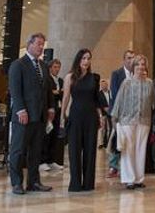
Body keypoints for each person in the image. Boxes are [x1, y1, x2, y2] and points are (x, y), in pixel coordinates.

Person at [7, 33, 55, 195]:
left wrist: (51, 108)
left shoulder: (43, 66)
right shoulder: (18, 64)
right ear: (29, 44)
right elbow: (15, 90)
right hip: (23, 116)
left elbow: (48, 90)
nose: (41, 47)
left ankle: (34, 182)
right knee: (18, 150)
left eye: (43, 44)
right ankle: (16, 183)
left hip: (40, 116)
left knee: (36, 151)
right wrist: (20, 109)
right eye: (38, 44)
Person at [111, 54, 155, 189]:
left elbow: (153, 102)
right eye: (138, 64)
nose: (141, 67)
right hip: (127, 120)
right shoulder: (126, 83)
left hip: (144, 120)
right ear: (133, 67)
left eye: (143, 64)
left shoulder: (149, 83)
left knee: (141, 149)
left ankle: (139, 179)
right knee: (128, 149)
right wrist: (115, 118)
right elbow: (118, 101)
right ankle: (129, 179)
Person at [62, 49, 102, 192]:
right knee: (74, 150)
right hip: (76, 115)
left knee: (90, 150)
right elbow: (66, 97)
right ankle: (75, 183)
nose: (86, 61)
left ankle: (88, 184)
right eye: (84, 58)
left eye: (89, 58)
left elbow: (96, 99)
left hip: (91, 116)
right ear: (78, 60)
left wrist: (100, 116)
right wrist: (62, 116)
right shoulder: (70, 77)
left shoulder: (94, 78)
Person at [107, 49, 135, 178]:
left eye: (132, 58)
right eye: (128, 58)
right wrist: (114, 114)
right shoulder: (117, 74)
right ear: (124, 60)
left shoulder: (137, 73)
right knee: (117, 138)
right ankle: (113, 166)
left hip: (133, 114)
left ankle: (127, 167)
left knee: (129, 141)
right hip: (119, 112)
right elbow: (114, 94)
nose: (131, 60)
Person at [41, 59, 64, 172]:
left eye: (58, 67)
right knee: (46, 135)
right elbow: (49, 93)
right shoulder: (47, 79)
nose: (57, 69)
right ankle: (42, 161)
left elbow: (62, 93)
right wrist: (57, 92)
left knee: (55, 135)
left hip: (58, 110)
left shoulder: (60, 80)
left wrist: (57, 92)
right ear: (50, 68)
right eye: (55, 67)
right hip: (49, 110)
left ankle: (51, 160)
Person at [98, 79, 112, 150]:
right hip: (103, 113)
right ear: (101, 86)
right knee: (103, 129)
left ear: (107, 85)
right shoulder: (99, 94)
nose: (104, 86)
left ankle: (108, 142)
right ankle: (102, 143)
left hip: (111, 113)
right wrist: (100, 114)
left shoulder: (110, 92)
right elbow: (97, 105)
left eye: (105, 84)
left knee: (110, 128)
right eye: (102, 85)